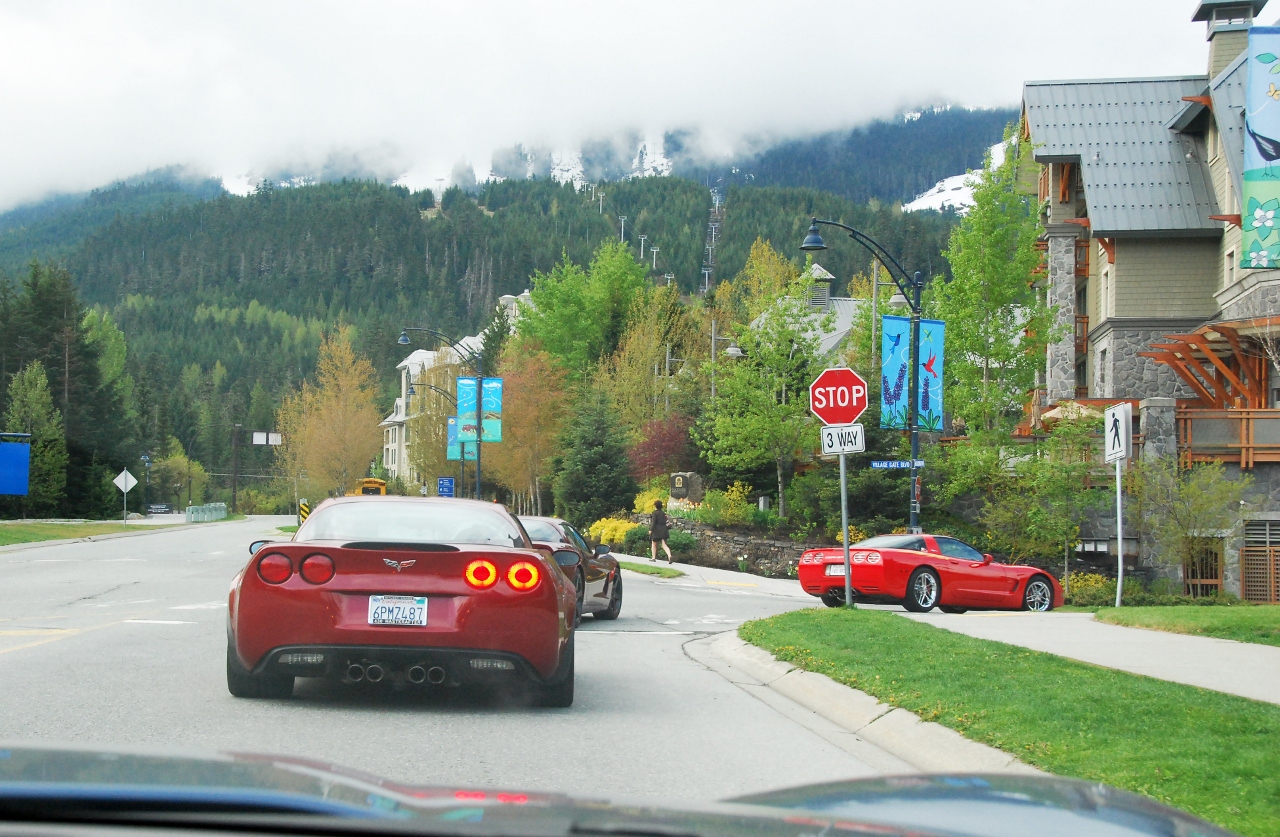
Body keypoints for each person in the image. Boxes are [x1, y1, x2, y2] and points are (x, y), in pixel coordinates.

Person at [650, 500, 673, 564]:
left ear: (655, 506)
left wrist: (651, 530)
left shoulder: (655, 513)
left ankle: (653, 558)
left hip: (657, 530)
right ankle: (669, 555)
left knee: (654, 543)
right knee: (664, 545)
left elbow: (653, 522)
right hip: (664, 530)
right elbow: (667, 521)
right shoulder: (663, 513)